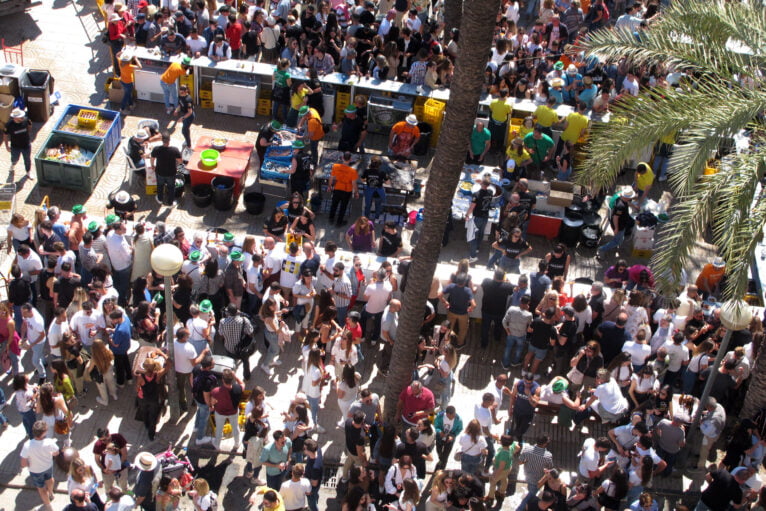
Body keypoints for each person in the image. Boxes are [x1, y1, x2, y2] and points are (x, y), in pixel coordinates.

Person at [20, 420, 59, 510]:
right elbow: (56, 452)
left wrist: (28, 464)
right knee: (50, 479)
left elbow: (23, 463)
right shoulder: (49, 442)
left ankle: (48, 505)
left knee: (41, 489)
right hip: (48, 466)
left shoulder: (27, 445)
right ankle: (51, 493)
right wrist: (51, 454)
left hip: (35, 470)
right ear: (44, 432)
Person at [135, 358, 168, 441]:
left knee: (144, 412)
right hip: (154, 399)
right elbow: (168, 367)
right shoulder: (158, 374)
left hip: (143, 398)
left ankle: (146, 424)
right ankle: (151, 434)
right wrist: (164, 355)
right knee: (153, 416)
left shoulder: (140, 377)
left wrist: (139, 392)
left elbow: (137, 388)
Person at [211, 368, 243, 451]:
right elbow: (242, 383)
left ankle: (217, 445)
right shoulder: (238, 388)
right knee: (235, 427)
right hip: (233, 412)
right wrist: (235, 376)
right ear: (232, 379)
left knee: (219, 429)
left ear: (222, 380)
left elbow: (212, 402)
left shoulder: (216, 391)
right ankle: (236, 444)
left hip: (220, 413)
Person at [465, 175, 494, 263]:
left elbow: (472, 207)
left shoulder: (476, 195)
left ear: (481, 183)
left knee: (473, 236)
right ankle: (477, 248)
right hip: (485, 217)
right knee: (481, 233)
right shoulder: (490, 192)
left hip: (477, 217)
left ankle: (473, 256)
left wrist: (467, 215)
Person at [150, 132, 183, 207]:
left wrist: (152, 165)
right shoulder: (175, 150)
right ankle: (170, 203)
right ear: (169, 140)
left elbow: (152, 158)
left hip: (160, 172)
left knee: (160, 186)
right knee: (171, 188)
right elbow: (180, 161)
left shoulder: (156, 149)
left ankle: (160, 199)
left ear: (162, 140)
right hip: (171, 173)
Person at [328, 152, 360, 227]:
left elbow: (331, 177)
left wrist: (329, 186)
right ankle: (339, 222)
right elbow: (354, 184)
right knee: (343, 207)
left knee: (334, 204)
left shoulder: (335, 166)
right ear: (350, 160)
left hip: (337, 188)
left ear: (342, 158)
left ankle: (331, 218)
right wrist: (356, 192)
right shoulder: (353, 171)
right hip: (346, 191)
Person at [4, 108, 34, 179]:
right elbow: (5, 135)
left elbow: (30, 126)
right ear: (15, 118)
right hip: (15, 146)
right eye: (20, 117)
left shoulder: (26, 120)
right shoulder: (9, 125)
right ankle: (13, 164)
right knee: (15, 158)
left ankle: (28, 171)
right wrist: (7, 146)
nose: (22, 118)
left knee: (27, 159)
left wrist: (27, 134)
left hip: (26, 145)